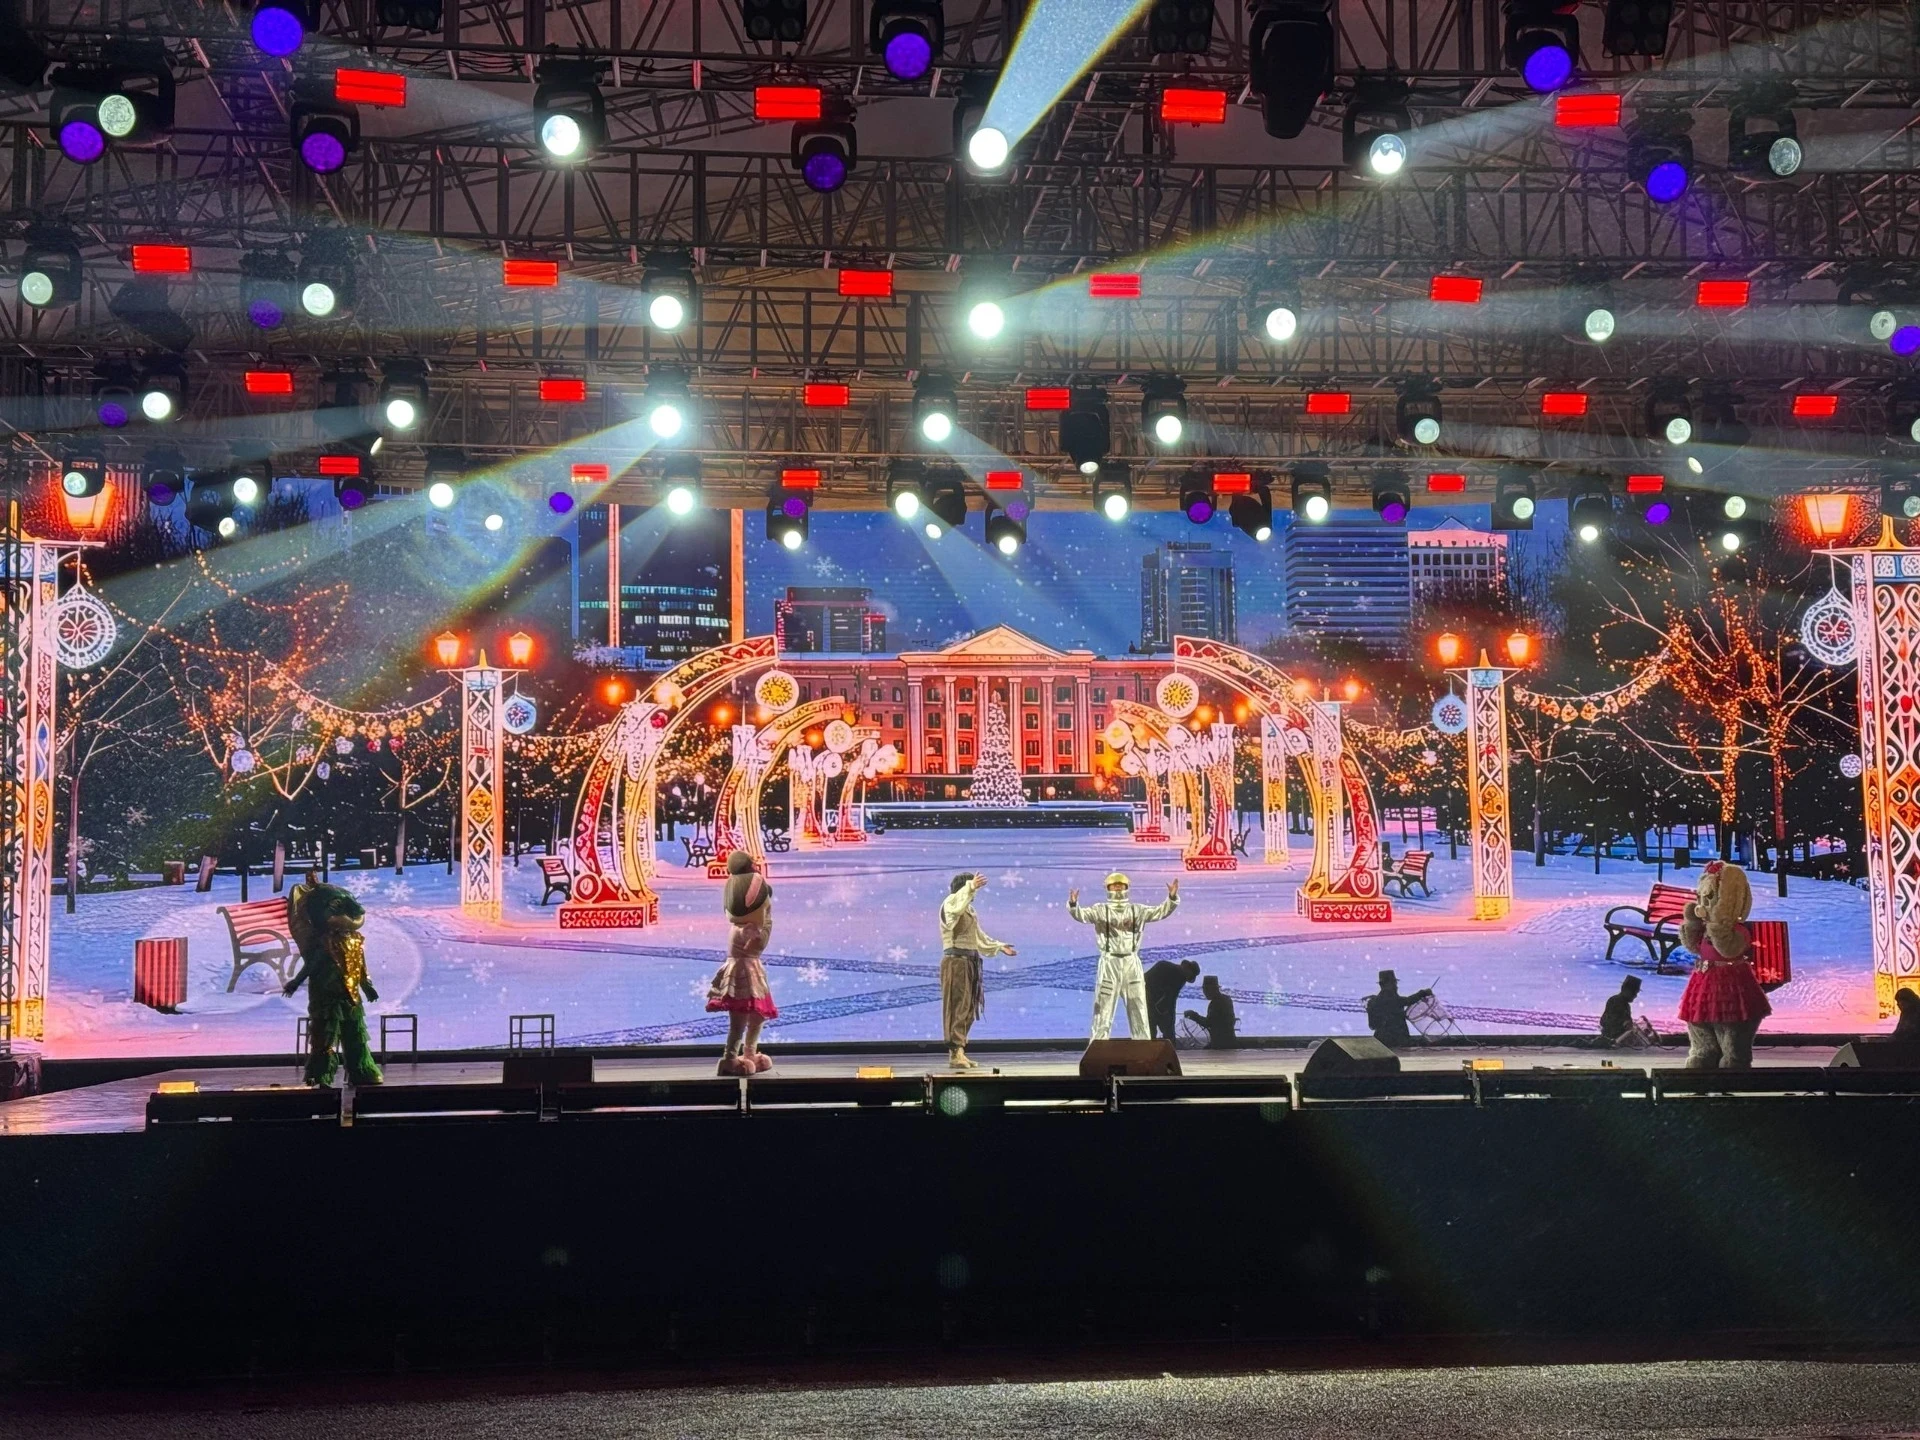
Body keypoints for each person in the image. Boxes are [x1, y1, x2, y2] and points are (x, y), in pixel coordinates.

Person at [283, 878, 383, 1088]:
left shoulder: (355, 940)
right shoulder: (325, 941)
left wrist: (367, 986)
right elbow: (312, 965)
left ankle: (361, 1070)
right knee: (325, 1037)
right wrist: (296, 982)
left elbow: (359, 966)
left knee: (355, 1035)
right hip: (327, 995)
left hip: (350, 996)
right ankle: (321, 1075)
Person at [1676, 861, 1770, 1070]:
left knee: (1730, 1027)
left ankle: (1732, 1064)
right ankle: (1703, 1056)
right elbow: (1694, 946)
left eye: (1710, 898)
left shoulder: (1739, 931)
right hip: (1704, 982)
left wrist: (1719, 924)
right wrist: (1692, 923)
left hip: (1731, 984)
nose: (1703, 904)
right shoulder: (1706, 928)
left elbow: (1728, 949)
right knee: (1699, 1021)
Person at [1068, 872, 1179, 1041]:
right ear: (1108, 888)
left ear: (1127, 887)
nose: (1118, 888)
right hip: (1109, 962)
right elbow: (1082, 915)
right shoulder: (1100, 910)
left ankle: (1142, 1047)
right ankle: (1098, 1047)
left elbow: (1159, 912)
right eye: (1114, 885)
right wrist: (1073, 904)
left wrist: (1171, 899)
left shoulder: (1137, 910)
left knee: (1138, 1008)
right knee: (1103, 1009)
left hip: (1131, 962)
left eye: (1121, 885)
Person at [708, 850, 778, 1076]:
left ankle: (749, 1053)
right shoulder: (746, 929)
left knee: (757, 1016)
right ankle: (729, 1058)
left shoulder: (743, 927)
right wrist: (768, 921)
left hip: (752, 972)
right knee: (739, 1020)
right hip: (742, 975)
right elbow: (759, 944)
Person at [939, 872, 1016, 1070]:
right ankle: (955, 1053)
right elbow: (956, 908)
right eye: (971, 886)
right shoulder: (950, 903)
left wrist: (999, 946)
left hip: (970, 962)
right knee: (957, 1006)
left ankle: (960, 1051)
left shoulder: (969, 910)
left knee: (968, 1008)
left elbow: (978, 937)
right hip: (956, 962)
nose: (974, 892)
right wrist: (970, 887)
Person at [1365, 969, 1433, 1050]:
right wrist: (1422, 993)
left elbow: (1372, 1025)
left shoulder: (1375, 1001)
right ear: (1387, 984)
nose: (1396, 986)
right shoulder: (1389, 999)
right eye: (1393, 983)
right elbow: (1407, 1000)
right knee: (1424, 1042)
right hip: (1397, 1040)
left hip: (1381, 1040)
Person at [1143, 958, 1201, 1045]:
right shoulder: (1165, 968)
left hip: (1157, 1006)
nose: (1186, 978)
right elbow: (1169, 998)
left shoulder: (1180, 977)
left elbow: (1171, 999)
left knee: (1162, 1033)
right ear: (1186, 968)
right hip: (1149, 1003)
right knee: (1153, 1033)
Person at [1597, 975, 1660, 1048]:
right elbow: (1608, 1022)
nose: (1635, 995)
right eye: (1634, 992)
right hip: (1613, 1039)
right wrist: (1625, 1024)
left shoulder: (1624, 1004)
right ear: (1624, 989)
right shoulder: (1615, 1001)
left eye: (1636, 993)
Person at [1184, 974, 1238, 1049]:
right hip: (1229, 1042)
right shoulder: (1226, 999)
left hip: (1222, 1045)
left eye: (1206, 990)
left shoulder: (1216, 1003)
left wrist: (1194, 1015)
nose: (1204, 993)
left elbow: (1209, 1023)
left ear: (1213, 989)